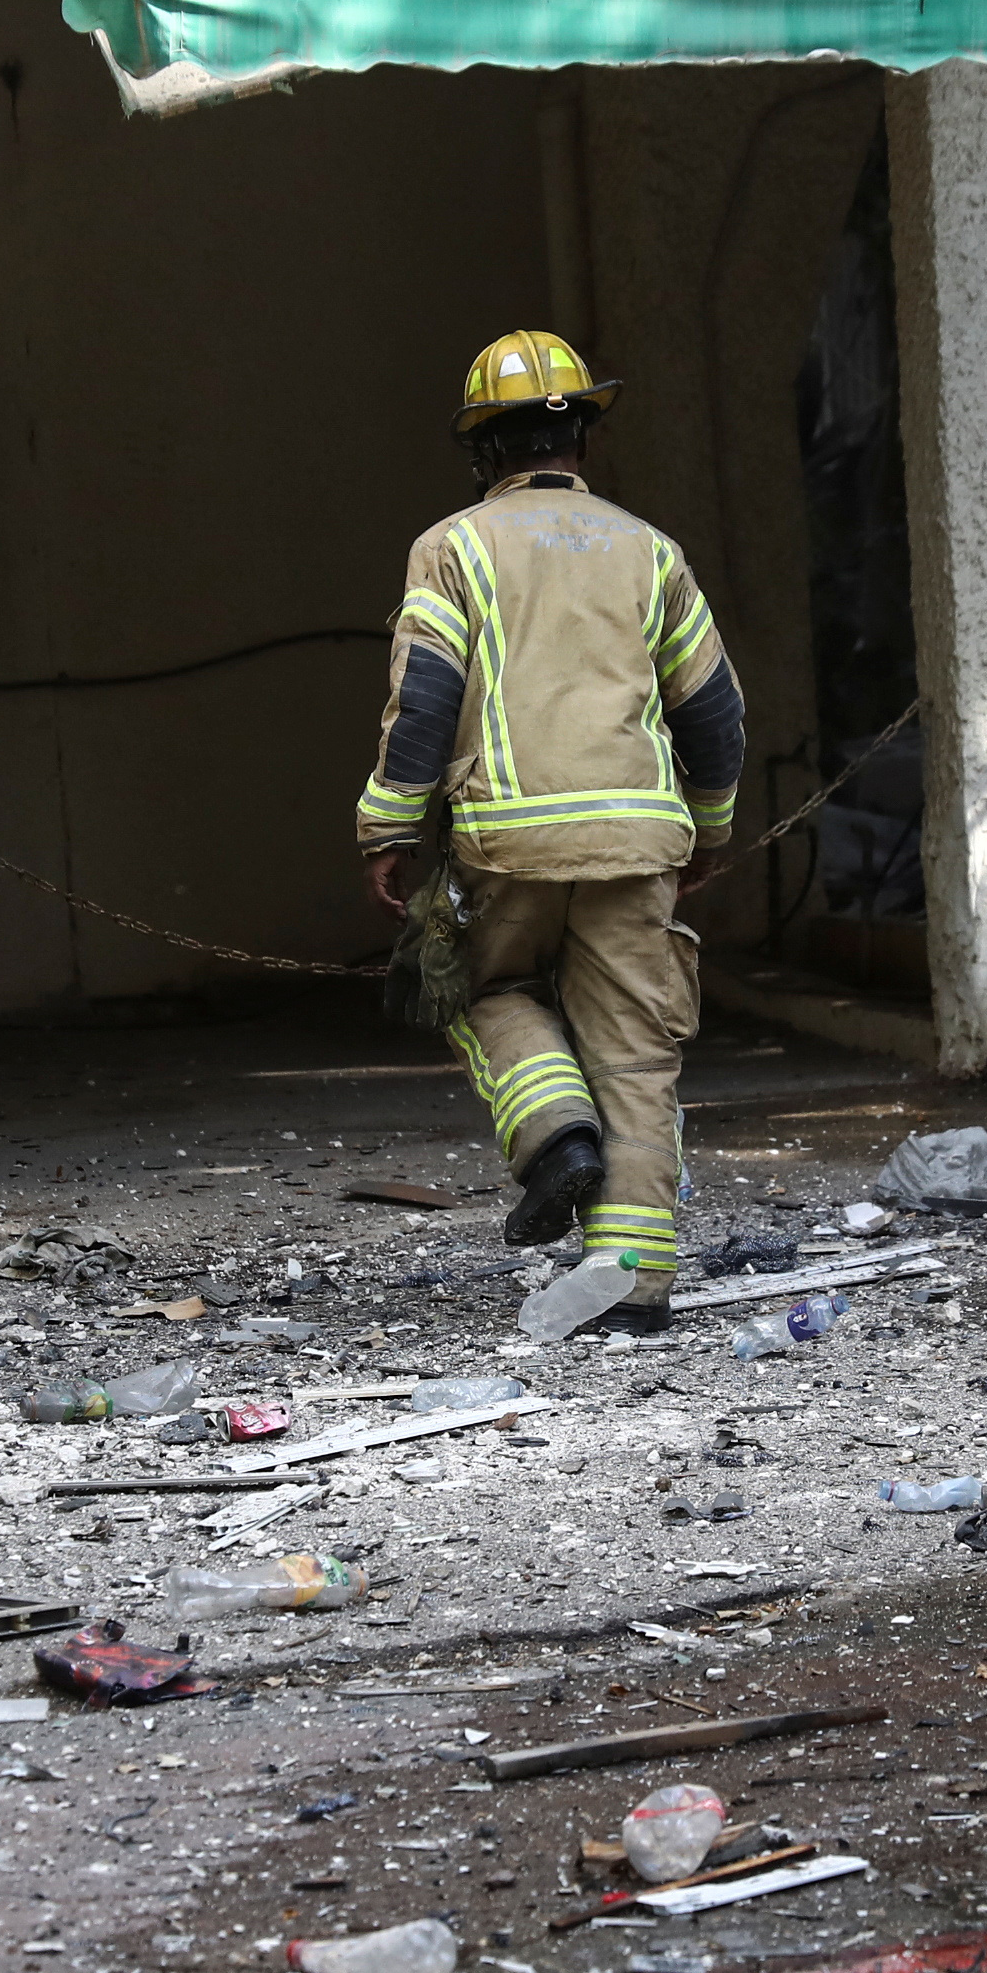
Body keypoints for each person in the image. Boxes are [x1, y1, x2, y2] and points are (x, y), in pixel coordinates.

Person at [357, 331, 745, 1337]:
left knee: (483, 988)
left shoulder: (452, 549)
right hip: (638, 843)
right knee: (636, 1055)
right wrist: (709, 831)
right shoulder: (650, 552)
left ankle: (552, 1136)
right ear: (586, 438)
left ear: (484, 447)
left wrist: (388, 828)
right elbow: (715, 713)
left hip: (507, 843)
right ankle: (635, 1289)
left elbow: (426, 701)